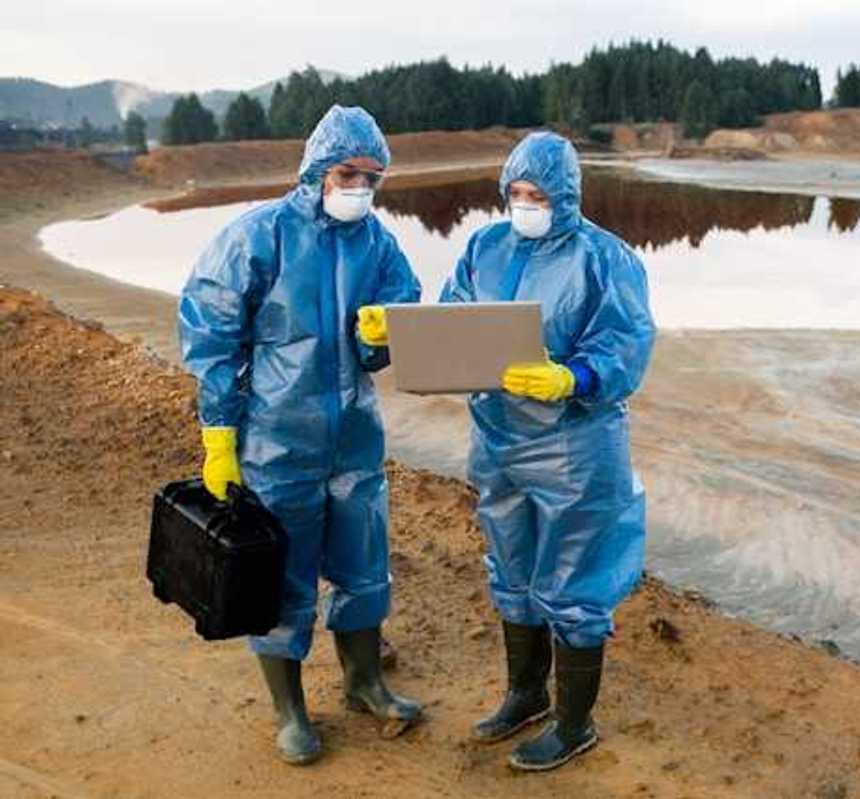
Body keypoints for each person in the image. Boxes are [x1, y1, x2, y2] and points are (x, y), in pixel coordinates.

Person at [177, 105, 423, 765]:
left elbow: (403, 319)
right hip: (277, 443)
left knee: (364, 568)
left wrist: (384, 336)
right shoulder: (258, 236)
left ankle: (366, 681)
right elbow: (212, 333)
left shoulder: (378, 243)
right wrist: (220, 434)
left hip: (354, 441)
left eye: (372, 177)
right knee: (281, 580)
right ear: (317, 168)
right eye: (348, 173)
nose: (360, 189)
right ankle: (290, 711)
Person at [440, 130, 656, 771]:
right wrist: (402, 334)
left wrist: (576, 377)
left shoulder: (604, 258)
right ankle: (526, 693)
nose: (524, 204)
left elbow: (626, 341)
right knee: (512, 565)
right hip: (499, 434)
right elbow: (453, 318)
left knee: (575, 579)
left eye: (538, 194)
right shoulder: (485, 245)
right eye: (516, 192)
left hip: (575, 445)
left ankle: (574, 724)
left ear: (565, 196)